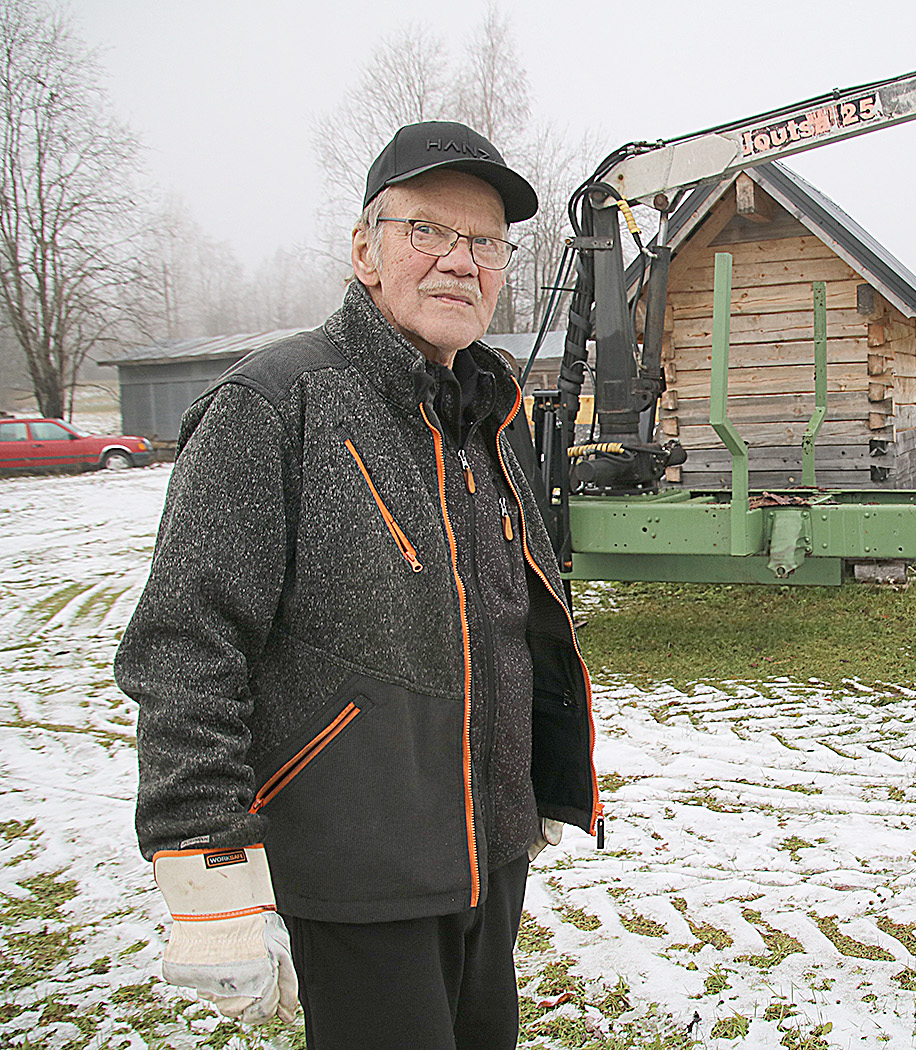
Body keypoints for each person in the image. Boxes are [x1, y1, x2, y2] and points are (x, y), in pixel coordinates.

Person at [116, 120, 600, 1050]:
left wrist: (526, 786)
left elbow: (515, 615)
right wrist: (208, 875)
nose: (462, 261)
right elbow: (185, 644)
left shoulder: (485, 410)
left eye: (486, 243)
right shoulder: (275, 402)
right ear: (364, 249)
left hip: (489, 855)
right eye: (428, 231)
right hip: (355, 870)